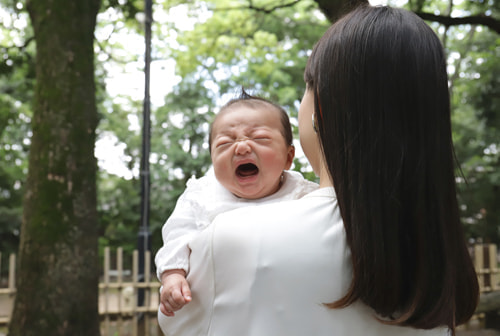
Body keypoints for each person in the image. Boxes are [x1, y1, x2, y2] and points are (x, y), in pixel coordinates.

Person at [158, 5, 479, 336]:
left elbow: (179, 324)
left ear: (319, 110)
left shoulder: (231, 238)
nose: (241, 147)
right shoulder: (436, 257)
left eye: (307, 88)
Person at [155, 90, 318, 317]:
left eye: (260, 138)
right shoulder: (201, 197)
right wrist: (173, 276)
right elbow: (177, 236)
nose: (241, 148)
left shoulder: (303, 195)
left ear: (289, 157)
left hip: (286, 306)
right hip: (225, 309)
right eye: (224, 143)